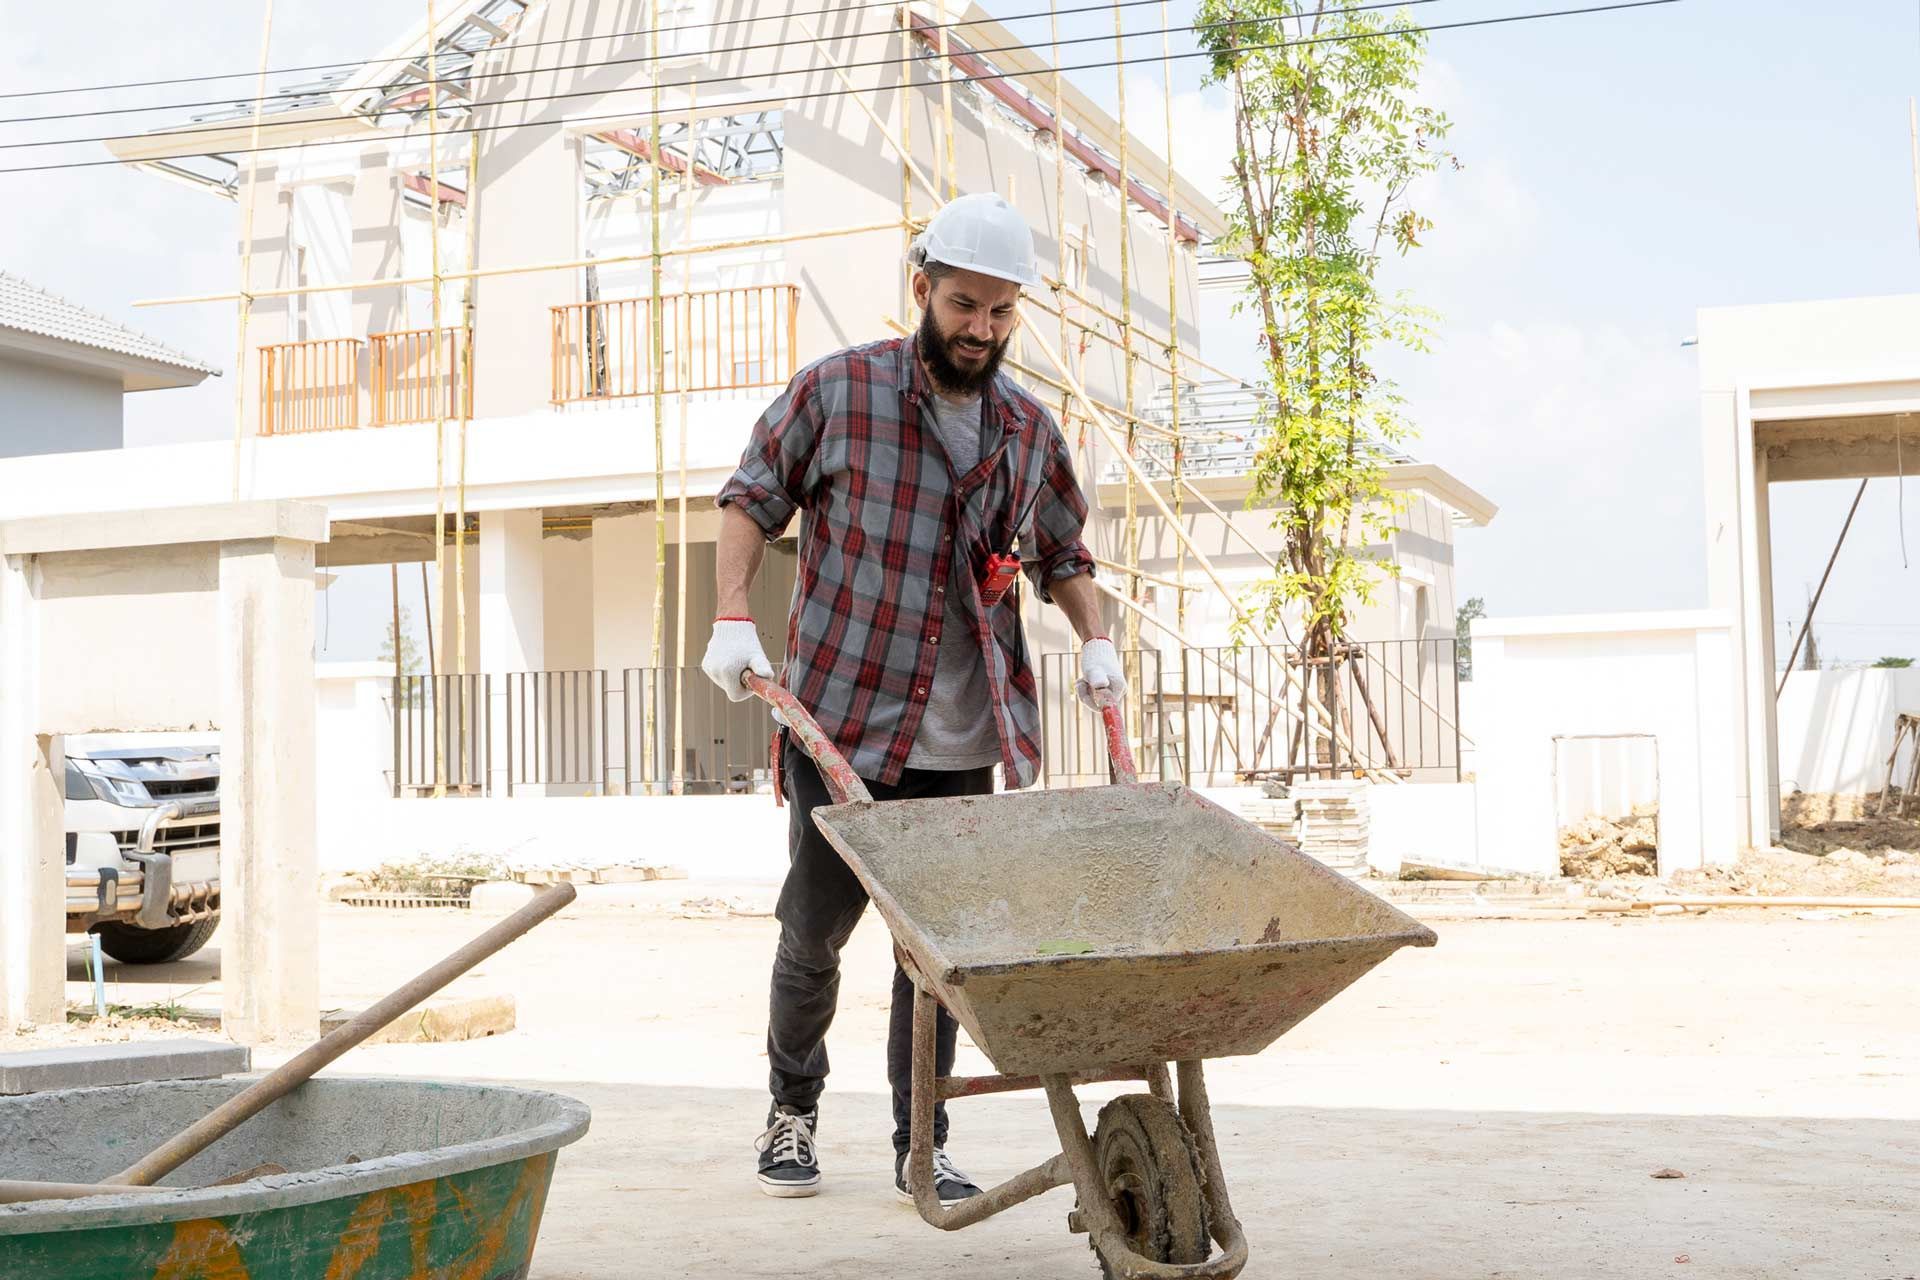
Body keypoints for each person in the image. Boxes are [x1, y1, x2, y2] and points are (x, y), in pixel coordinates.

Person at [701, 192, 1125, 1206]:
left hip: (961, 738)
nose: (980, 329)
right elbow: (751, 494)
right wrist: (728, 614)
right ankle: (791, 1109)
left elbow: (1063, 551)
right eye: (963, 305)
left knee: (932, 959)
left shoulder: (1027, 428)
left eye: (999, 312)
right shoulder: (838, 393)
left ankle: (918, 1139)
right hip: (842, 722)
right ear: (922, 287)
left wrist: (1097, 636)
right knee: (815, 929)